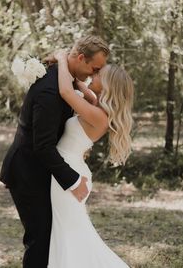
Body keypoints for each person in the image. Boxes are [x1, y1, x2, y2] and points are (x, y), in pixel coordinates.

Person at [0, 36, 109, 268]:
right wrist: (72, 181)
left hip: (43, 172)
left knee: (50, 239)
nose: (93, 75)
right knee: (40, 241)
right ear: (80, 58)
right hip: (28, 172)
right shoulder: (51, 90)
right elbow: (43, 146)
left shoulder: (65, 80)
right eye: (94, 68)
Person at [47, 50, 133, 267]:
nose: (92, 75)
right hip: (69, 168)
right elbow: (76, 84)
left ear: (106, 85)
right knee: (69, 233)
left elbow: (67, 91)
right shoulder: (95, 103)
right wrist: (68, 64)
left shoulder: (98, 116)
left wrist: (60, 57)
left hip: (68, 175)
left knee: (69, 234)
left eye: (98, 75)